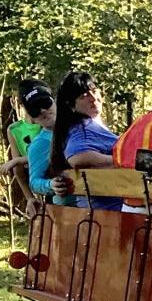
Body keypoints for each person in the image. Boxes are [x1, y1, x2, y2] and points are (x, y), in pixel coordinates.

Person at [48, 71, 121, 209]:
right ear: (71, 105)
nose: (93, 98)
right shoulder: (82, 128)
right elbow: (77, 156)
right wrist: (121, 160)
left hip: (107, 213)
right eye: (84, 96)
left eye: (94, 91)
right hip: (108, 216)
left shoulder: (87, 126)